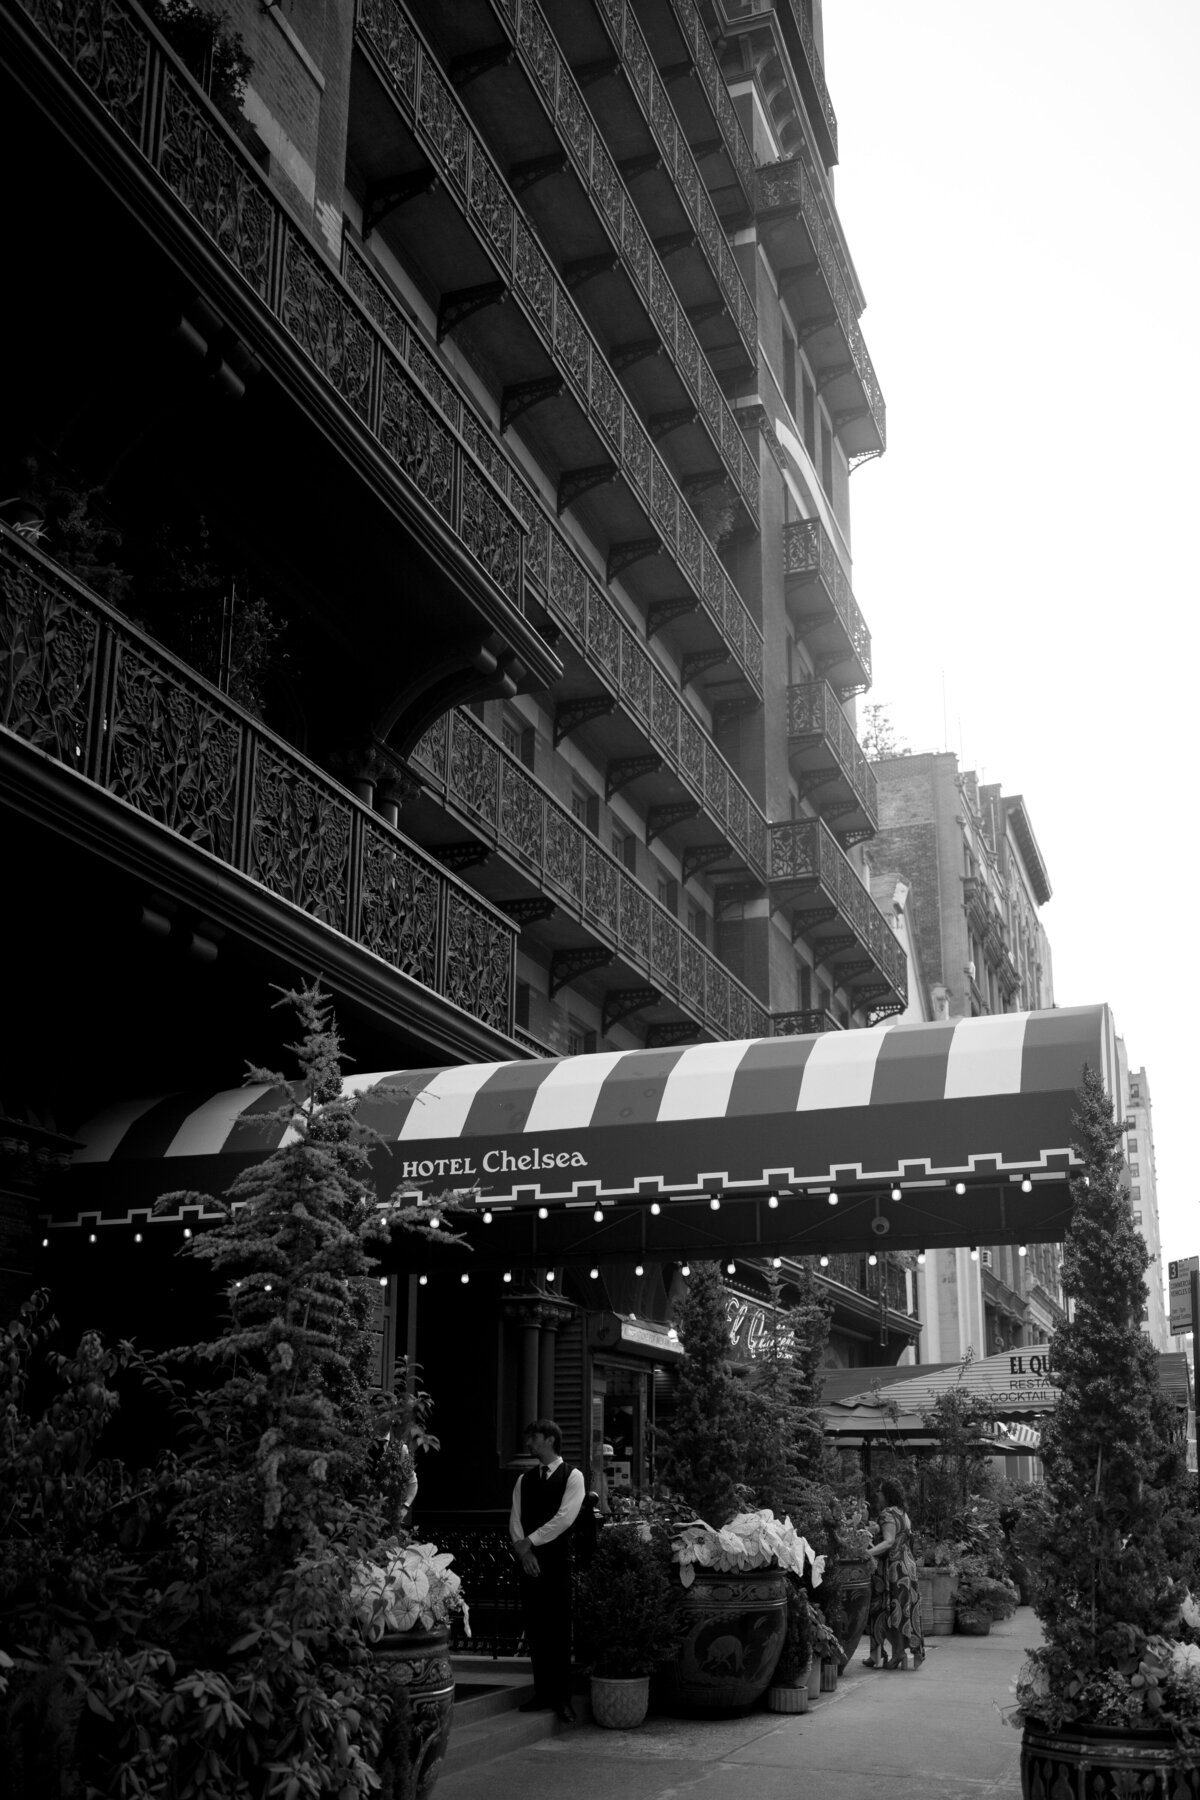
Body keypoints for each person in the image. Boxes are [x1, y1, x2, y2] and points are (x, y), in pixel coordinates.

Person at [509, 1419, 584, 1723]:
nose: (530, 1443)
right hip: (529, 1565)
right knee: (537, 1631)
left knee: (558, 1632)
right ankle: (541, 1693)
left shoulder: (573, 1476)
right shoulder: (523, 1480)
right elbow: (515, 1518)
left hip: (557, 1564)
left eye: (534, 1438)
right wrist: (524, 1550)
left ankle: (562, 1698)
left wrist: (532, 1541)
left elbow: (564, 1518)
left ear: (551, 1439)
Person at [863, 1477, 925, 1670]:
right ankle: (892, 1653)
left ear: (887, 1494)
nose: (877, 1494)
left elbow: (889, 1541)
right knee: (903, 1611)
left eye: (880, 1491)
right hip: (908, 1566)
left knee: (885, 1610)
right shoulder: (904, 1514)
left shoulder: (887, 1513)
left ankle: (892, 1653)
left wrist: (866, 1553)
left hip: (894, 1568)